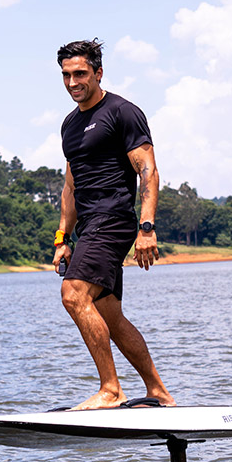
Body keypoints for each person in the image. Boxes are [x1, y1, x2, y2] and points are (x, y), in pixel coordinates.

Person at [52, 39, 176, 411]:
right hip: (89, 226)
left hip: (114, 219)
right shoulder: (69, 125)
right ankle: (159, 393)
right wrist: (62, 237)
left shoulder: (122, 112)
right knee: (110, 316)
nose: (73, 82)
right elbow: (70, 187)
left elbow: (148, 171)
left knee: (74, 294)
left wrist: (147, 228)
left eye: (80, 74)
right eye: (66, 75)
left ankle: (111, 390)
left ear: (98, 73)